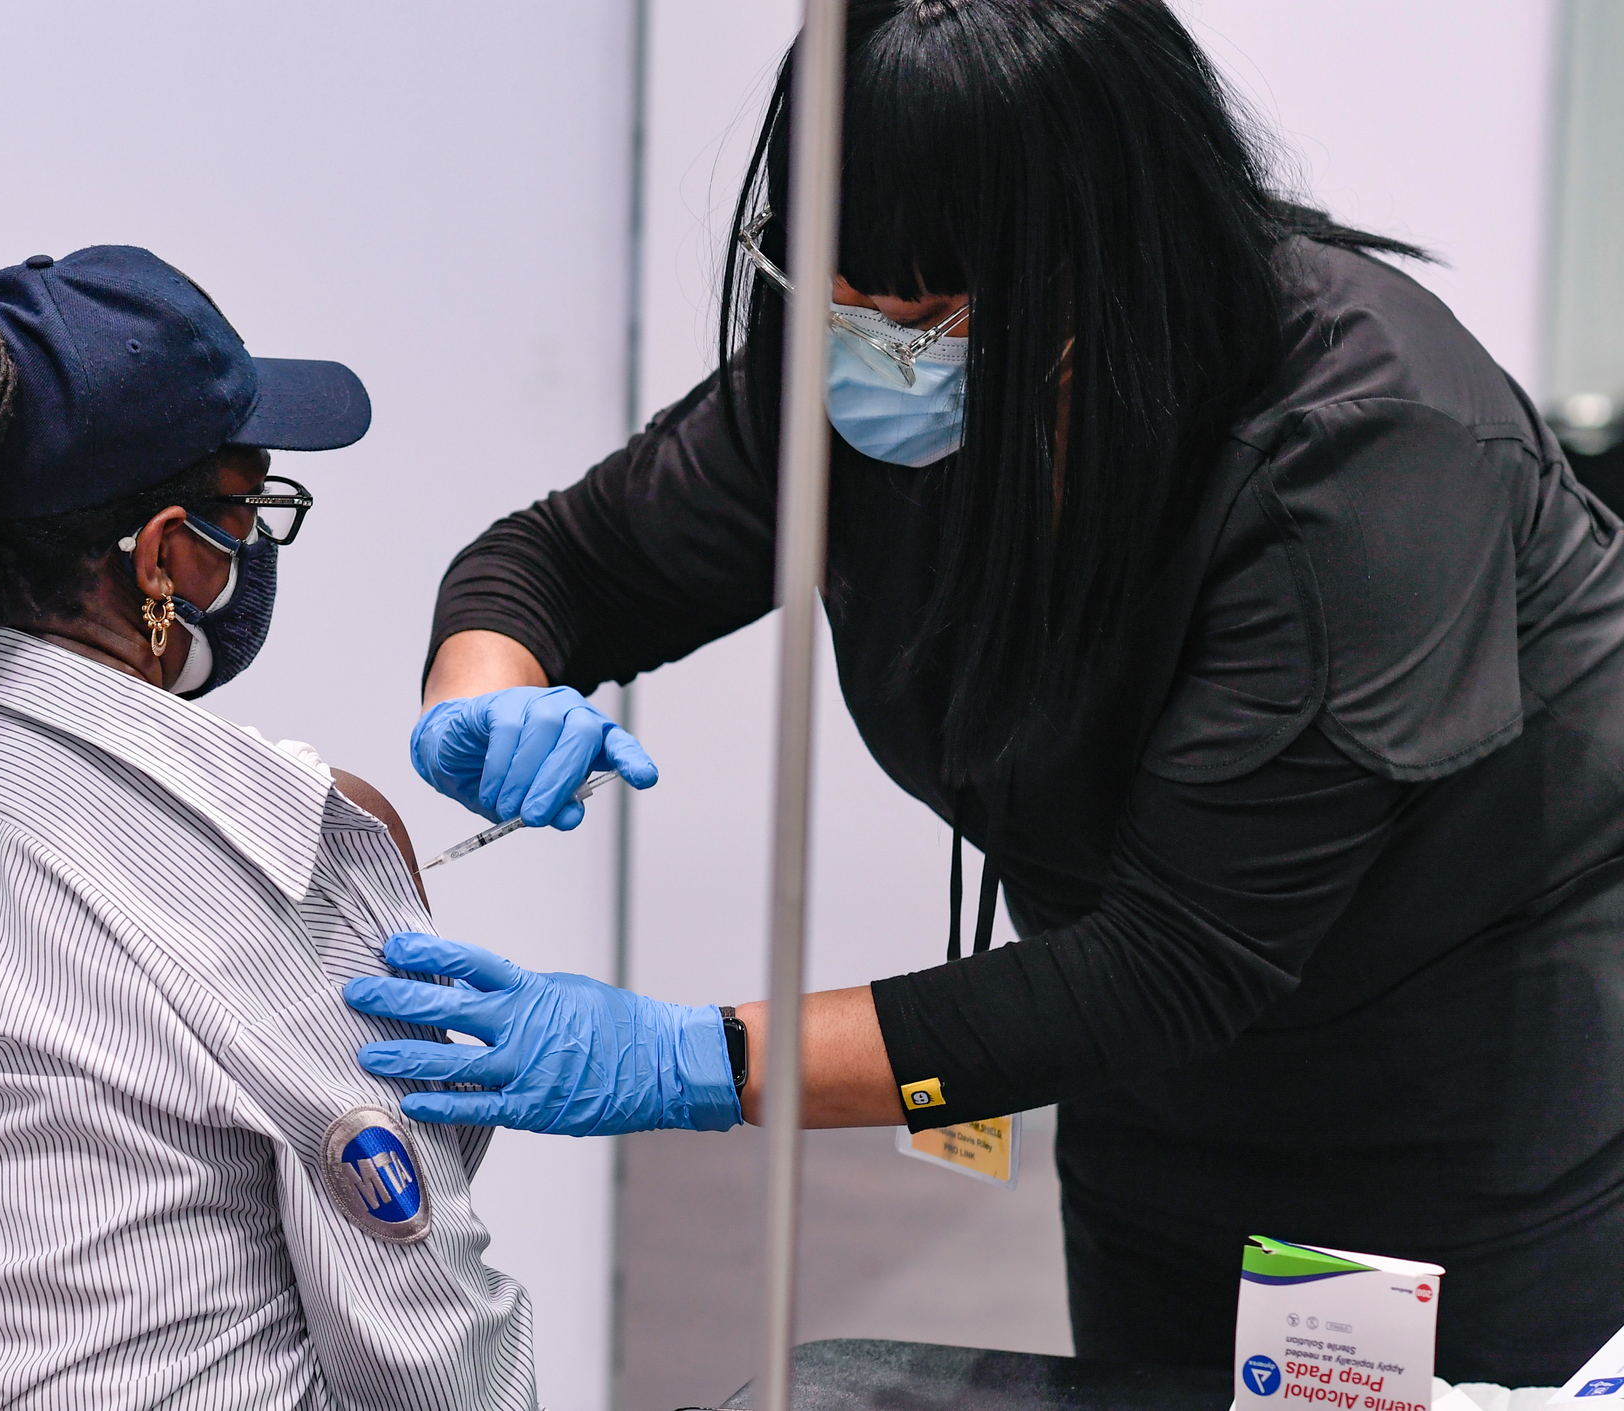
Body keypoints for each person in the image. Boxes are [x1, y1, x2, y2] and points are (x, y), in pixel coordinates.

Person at [347, 0, 1624, 1387]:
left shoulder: (1365, 457)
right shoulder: (864, 368)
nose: (880, 347)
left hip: (1454, 1102)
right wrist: (483, 687)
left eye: (934, 310)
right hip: (1155, 1092)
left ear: (1102, 270)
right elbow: (567, 560)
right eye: (843, 289)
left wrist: (687, 1056)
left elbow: (1169, 961)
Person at [0, 247, 535, 1411]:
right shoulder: (289, 841)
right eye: (248, 503)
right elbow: (426, 1351)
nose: (257, 544)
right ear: (168, 556)